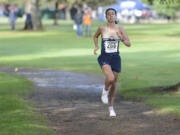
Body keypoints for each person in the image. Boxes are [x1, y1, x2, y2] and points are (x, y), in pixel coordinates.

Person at [93, 8, 131, 117]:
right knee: (110, 78)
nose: (111, 16)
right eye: (108, 14)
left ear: (115, 16)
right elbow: (95, 36)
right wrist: (96, 46)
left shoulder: (120, 28)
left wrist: (121, 38)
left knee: (114, 83)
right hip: (105, 57)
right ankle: (104, 91)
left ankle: (111, 108)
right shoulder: (102, 28)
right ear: (106, 16)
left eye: (112, 14)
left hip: (115, 58)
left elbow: (129, 44)